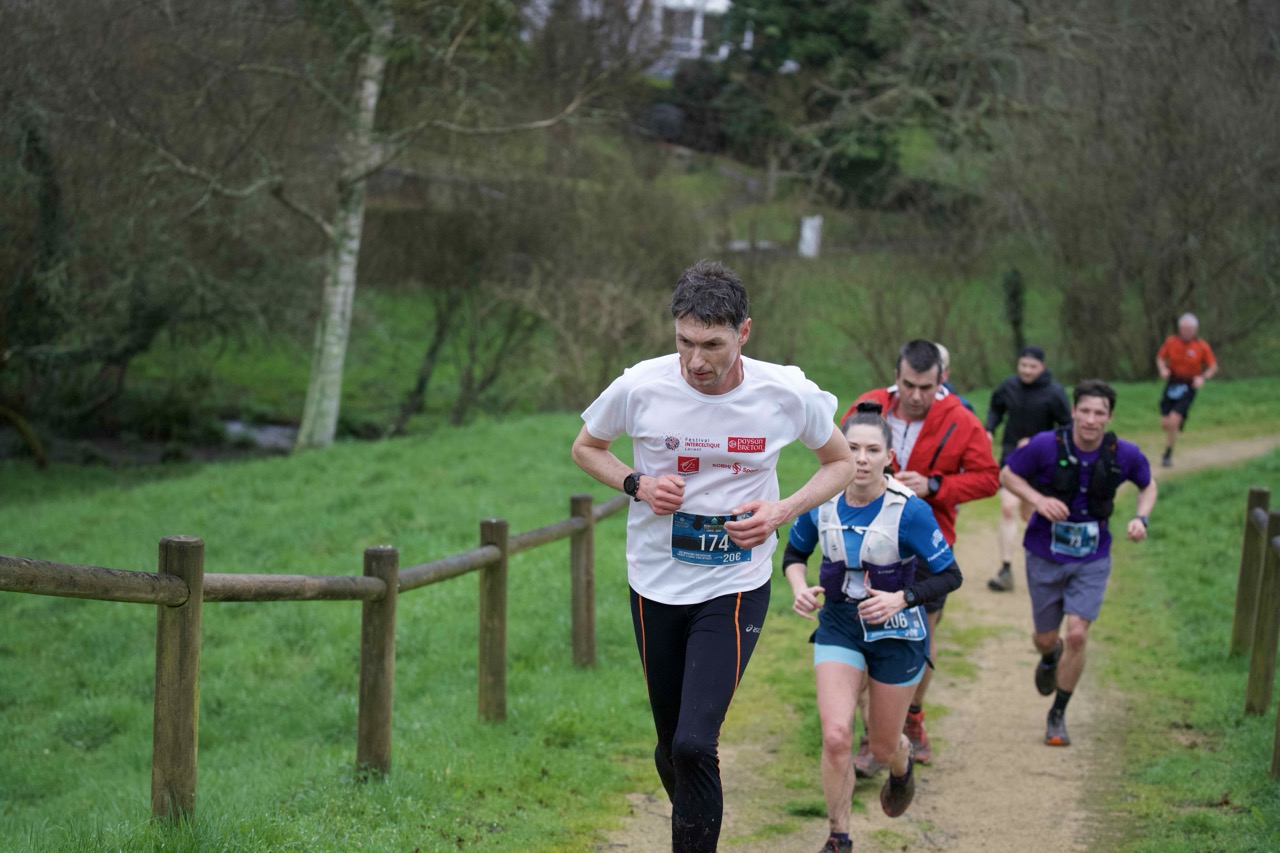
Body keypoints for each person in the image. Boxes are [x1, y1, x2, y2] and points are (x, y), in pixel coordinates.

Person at [571, 260, 855, 852]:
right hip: (655, 581)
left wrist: (781, 510)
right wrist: (638, 485)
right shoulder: (641, 386)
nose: (695, 361)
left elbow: (841, 462)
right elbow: (586, 447)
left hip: (735, 584)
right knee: (670, 746)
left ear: (744, 332)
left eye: (712, 345)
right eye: (684, 341)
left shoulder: (784, 393)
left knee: (695, 743)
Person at [784, 402, 963, 853]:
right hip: (839, 624)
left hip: (897, 629)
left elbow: (950, 575)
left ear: (889, 457)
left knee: (882, 748)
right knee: (836, 736)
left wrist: (901, 597)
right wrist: (799, 587)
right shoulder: (821, 500)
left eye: (872, 450)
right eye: (852, 448)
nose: (861, 459)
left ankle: (902, 764)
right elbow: (794, 555)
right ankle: (838, 837)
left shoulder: (910, 511)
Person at [841, 340, 998, 772]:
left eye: (926, 387)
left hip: (927, 540)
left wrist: (935, 486)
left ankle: (912, 716)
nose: (915, 395)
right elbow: (838, 456)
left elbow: (989, 478)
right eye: (908, 384)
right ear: (896, 376)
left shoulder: (961, 420)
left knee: (919, 637)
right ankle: (872, 737)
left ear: (941, 380)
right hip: (866, 537)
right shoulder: (868, 407)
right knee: (866, 633)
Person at [1000, 379, 1157, 746]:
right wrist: (1038, 500)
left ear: (1110, 417)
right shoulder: (1046, 445)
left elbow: (1147, 485)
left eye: (1099, 413)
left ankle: (1057, 714)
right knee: (1045, 637)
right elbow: (1007, 474)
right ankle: (1049, 655)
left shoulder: (1123, 453)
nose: (1090, 419)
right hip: (1044, 552)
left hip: (1092, 556)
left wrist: (1141, 518)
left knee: (1077, 634)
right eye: (1084, 410)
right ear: (1073, 411)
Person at [983, 346, 1072, 592]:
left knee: (1030, 516)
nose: (1027, 371)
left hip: (1041, 461)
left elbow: (1068, 428)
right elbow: (996, 408)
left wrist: (1036, 442)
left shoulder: (1054, 393)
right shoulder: (1008, 386)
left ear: (1043, 367)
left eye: (1032, 367)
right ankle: (1006, 570)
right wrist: (989, 428)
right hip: (1012, 458)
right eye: (1023, 365)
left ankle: (1053, 564)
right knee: (1007, 508)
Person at [1155, 313, 1218, 467]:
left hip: (1189, 385)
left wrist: (1202, 378)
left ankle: (1168, 454)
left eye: (1190, 329)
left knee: (1173, 421)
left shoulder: (1201, 346)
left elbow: (1213, 366)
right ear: (1179, 329)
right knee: (1165, 423)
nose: (1186, 332)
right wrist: (1162, 369)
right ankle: (1180, 419)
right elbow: (1160, 357)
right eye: (1184, 329)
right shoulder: (1171, 342)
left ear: (1195, 330)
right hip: (1172, 383)